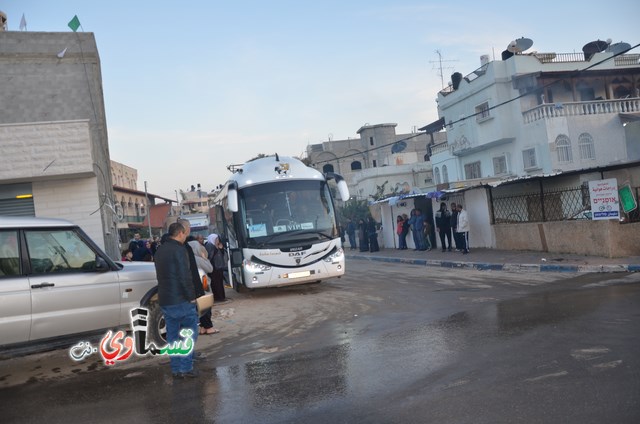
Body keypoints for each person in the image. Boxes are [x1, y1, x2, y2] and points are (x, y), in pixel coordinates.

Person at [154, 222, 199, 378]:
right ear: (180, 233)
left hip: (166, 299)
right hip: (181, 299)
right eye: (185, 234)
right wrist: (191, 297)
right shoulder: (180, 250)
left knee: (173, 336)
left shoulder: (159, 250)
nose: (185, 236)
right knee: (189, 334)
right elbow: (184, 276)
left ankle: (176, 369)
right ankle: (186, 368)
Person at [207, 234, 228, 302]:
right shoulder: (209, 245)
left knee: (220, 283)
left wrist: (221, 249)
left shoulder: (217, 245)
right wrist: (216, 248)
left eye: (218, 239)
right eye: (216, 239)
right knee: (216, 283)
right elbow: (210, 256)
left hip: (219, 267)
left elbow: (222, 255)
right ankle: (218, 297)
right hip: (213, 268)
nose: (217, 240)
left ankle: (222, 297)